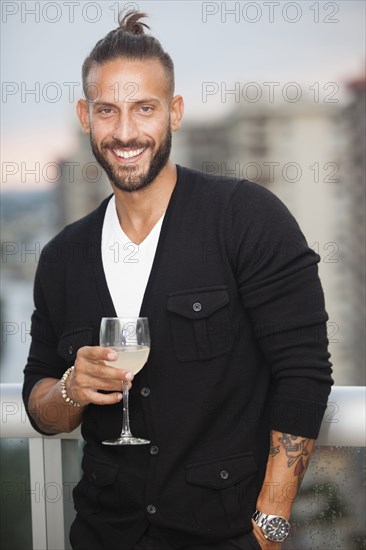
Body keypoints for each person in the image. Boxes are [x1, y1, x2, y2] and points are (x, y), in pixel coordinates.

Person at [23, 11, 333, 550]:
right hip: (103, 535)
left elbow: (304, 374)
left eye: (144, 108)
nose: (124, 132)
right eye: (107, 111)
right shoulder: (61, 257)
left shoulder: (247, 217)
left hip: (228, 536)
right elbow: (41, 401)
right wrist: (72, 388)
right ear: (84, 116)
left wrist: (271, 524)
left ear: (175, 112)